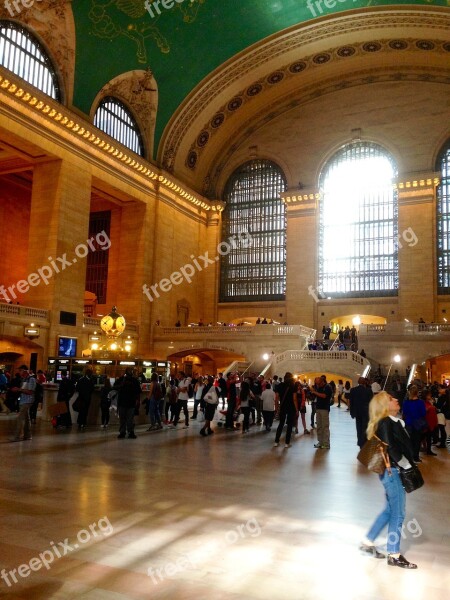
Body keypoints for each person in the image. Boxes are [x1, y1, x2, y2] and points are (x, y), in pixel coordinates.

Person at [360, 391, 418, 569]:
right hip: (393, 472)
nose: (397, 400)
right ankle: (394, 554)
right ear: (385, 405)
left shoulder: (391, 422)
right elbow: (390, 448)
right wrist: (406, 464)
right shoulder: (385, 422)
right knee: (398, 513)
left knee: (389, 510)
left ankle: (368, 541)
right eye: (392, 399)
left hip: (390, 472)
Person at [11, 365, 36, 442]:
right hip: (23, 400)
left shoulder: (31, 379)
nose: (19, 372)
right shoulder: (24, 379)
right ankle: (28, 435)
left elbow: (30, 391)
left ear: (24, 371)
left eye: (20, 370)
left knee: (20, 418)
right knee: (27, 419)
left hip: (27, 401)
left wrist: (19, 389)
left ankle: (17, 436)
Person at [402, 385, 426, 462]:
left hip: (408, 423)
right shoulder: (420, 402)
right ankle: (416, 457)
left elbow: (404, 413)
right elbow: (423, 413)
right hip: (418, 424)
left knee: (410, 440)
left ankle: (410, 456)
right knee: (417, 440)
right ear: (417, 393)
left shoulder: (406, 402)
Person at [114, 367, 141, 438]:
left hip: (128, 402)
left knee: (129, 419)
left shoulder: (133, 380)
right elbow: (114, 387)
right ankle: (125, 432)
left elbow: (138, 392)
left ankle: (129, 432)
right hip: (125, 402)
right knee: (125, 418)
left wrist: (138, 401)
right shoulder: (124, 379)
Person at [273, 372, 298, 448]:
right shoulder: (293, 386)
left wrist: (276, 408)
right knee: (290, 425)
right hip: (291, 407)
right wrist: (296, 409)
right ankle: (287, 443)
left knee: (281, 424)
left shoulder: (279, 385)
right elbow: (294, 399)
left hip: (283, 406)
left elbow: (276, 398)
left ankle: (276, 442)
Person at [349, 377, 373, 448]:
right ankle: (364, 442)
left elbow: (351, 402)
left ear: (358, 382)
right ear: (364, 382)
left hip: (357, 412)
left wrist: (351, 412)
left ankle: (359, 442)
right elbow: (371, 402)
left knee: (358, 427)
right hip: (366, 412)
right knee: (365, 427)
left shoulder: (353, 390)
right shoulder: (368, 390)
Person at [311, 376, 332, 449]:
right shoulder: (318, 387)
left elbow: (324, 396)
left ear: (322, 381)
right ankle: (320, 442)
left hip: (324, 409)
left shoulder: (327, 387)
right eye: (316, 384)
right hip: (318, 408)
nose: (317, 385)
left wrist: (315, 392)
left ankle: (326, 443)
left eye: (318, 383)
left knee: (325, 426)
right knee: (319, 426)